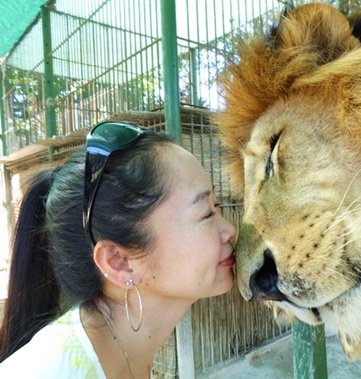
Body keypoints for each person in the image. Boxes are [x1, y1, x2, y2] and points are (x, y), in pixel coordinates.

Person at [0, 121, 236, 378]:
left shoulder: (126, 350)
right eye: (205, 214)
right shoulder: (48, 371)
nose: (230, 230)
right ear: (118, 261)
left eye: (217, 206)